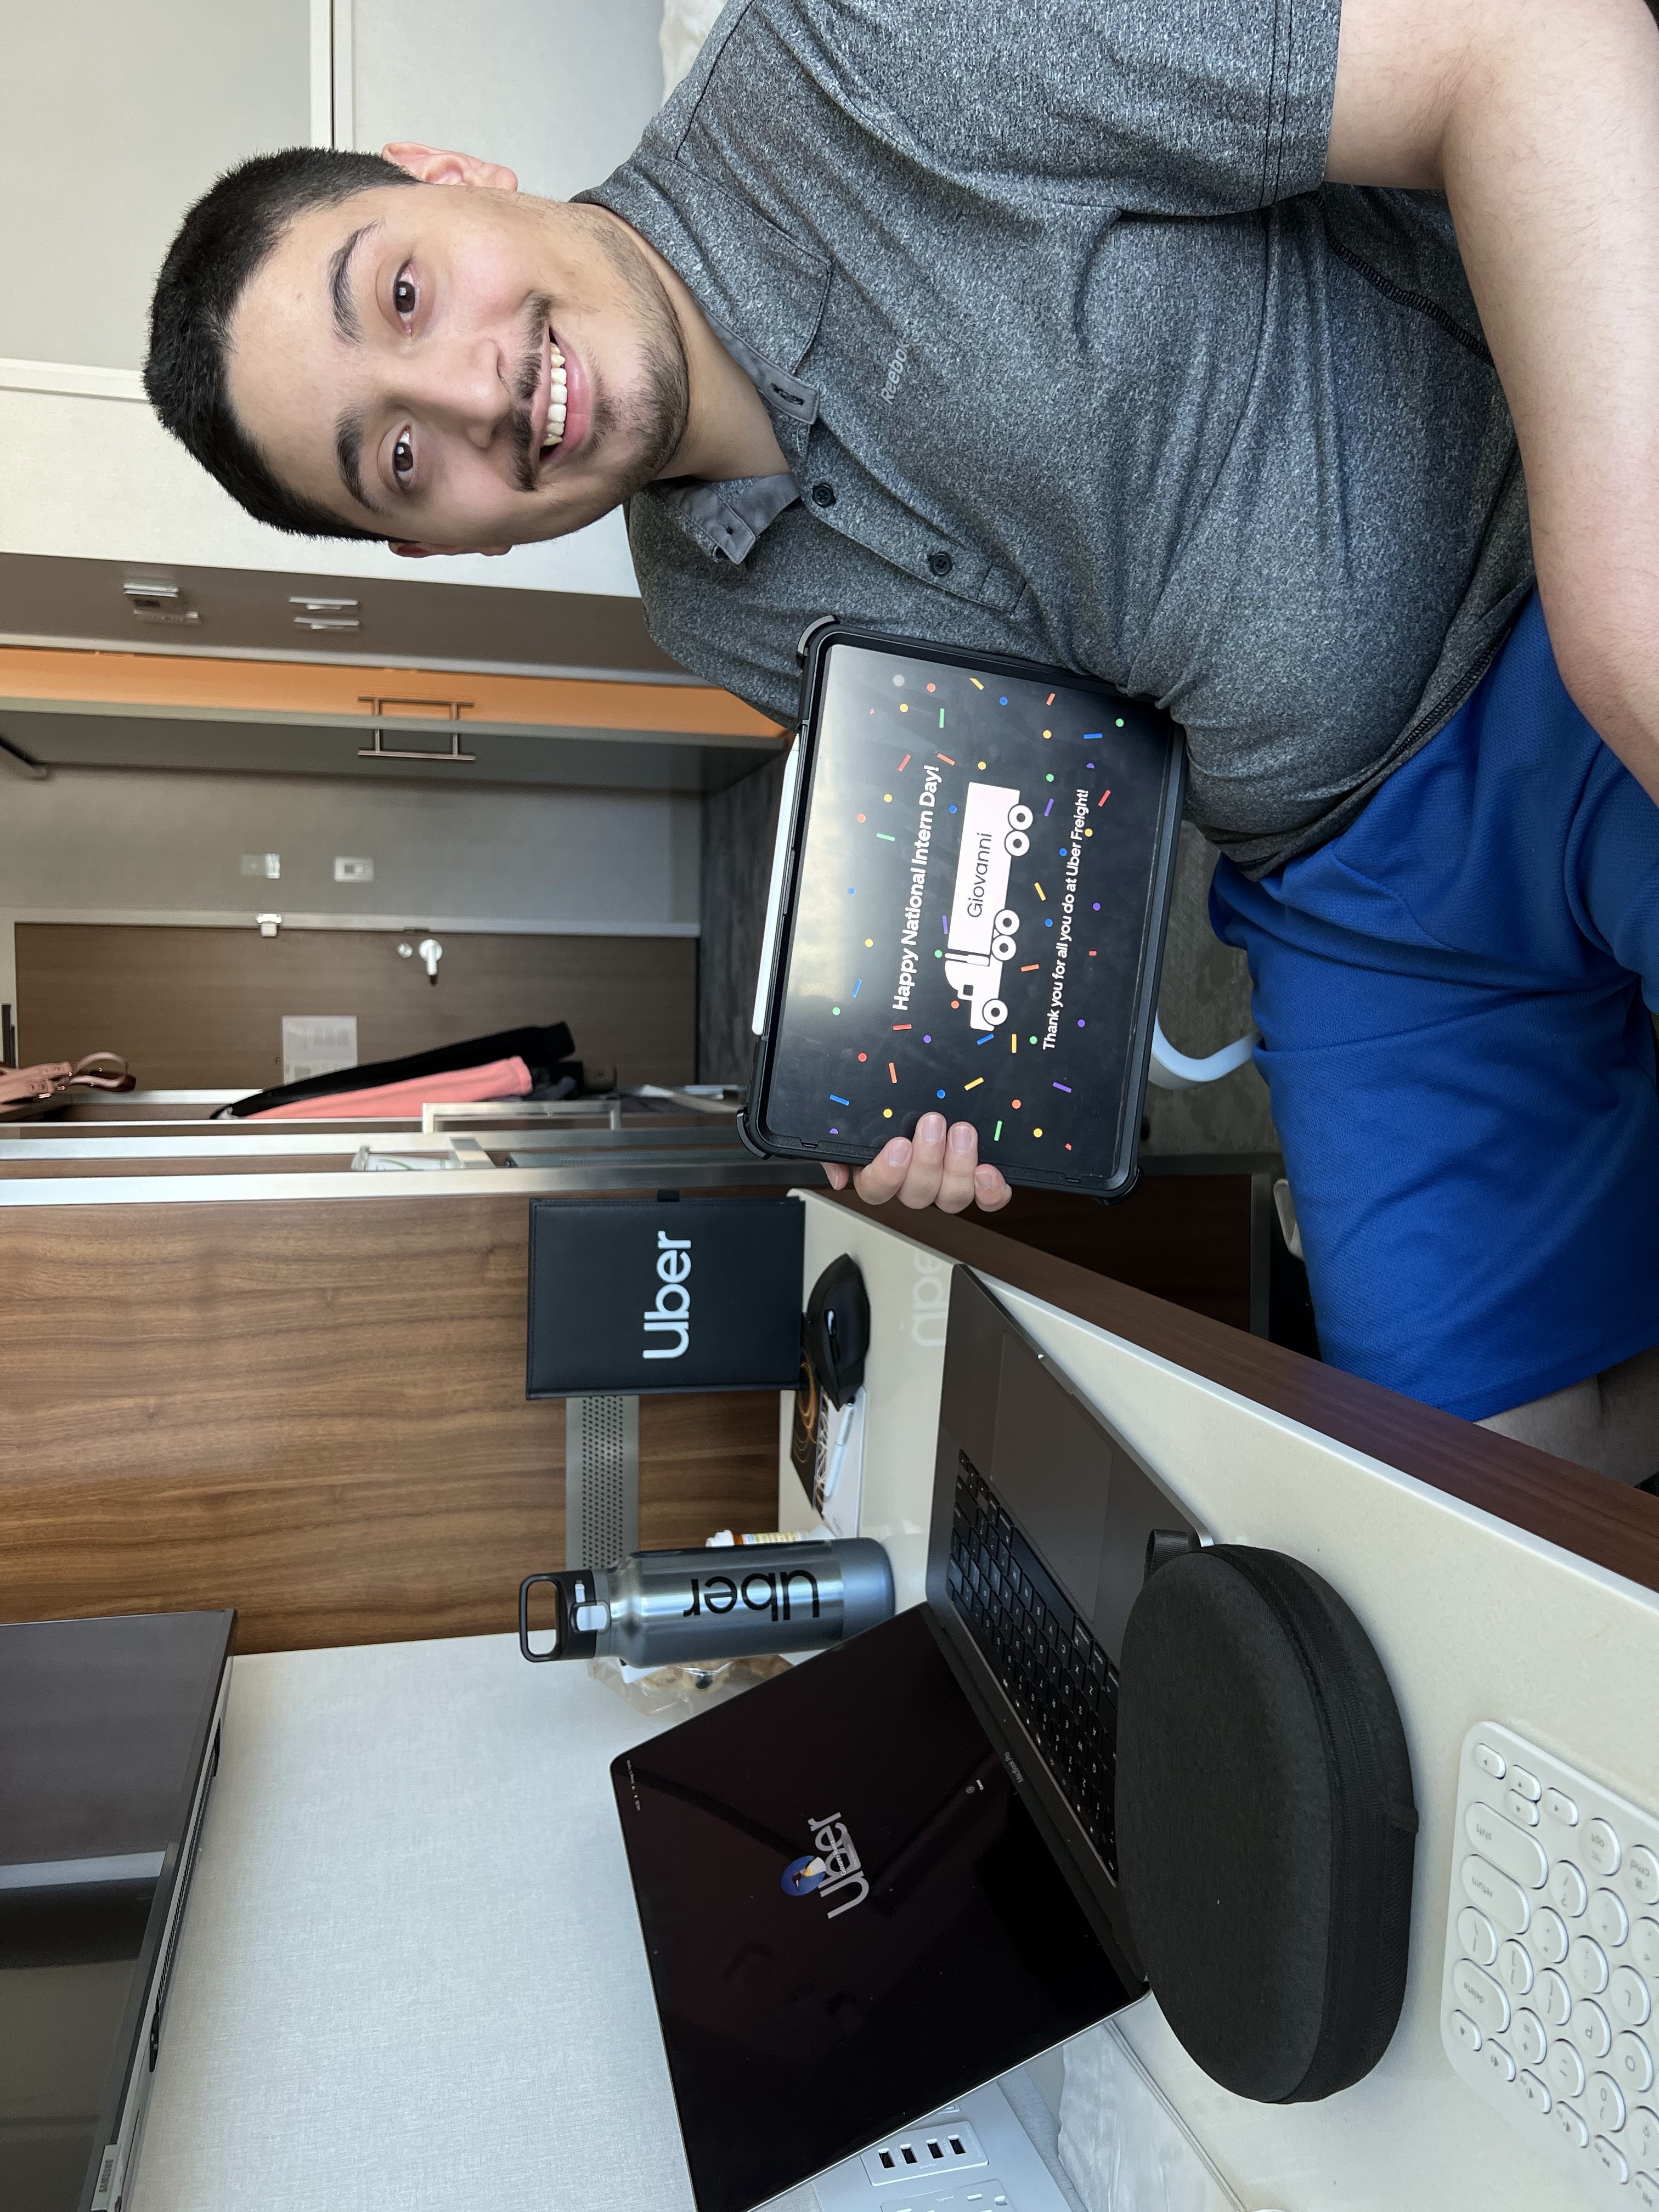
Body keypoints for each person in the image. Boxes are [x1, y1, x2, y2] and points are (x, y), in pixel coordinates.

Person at [142, 0, 1659, 1474]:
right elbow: (1053, 790)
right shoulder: (699, 610)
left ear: (448, 174)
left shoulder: (865, 47)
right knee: (1484, 1485)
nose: (470, 392)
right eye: (398, 459)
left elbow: (1530, 37)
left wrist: (1614, 616)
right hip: (1344, 880)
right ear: (437, 549)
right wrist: (970, 1057)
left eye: (401, 295)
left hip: (1544, 585)